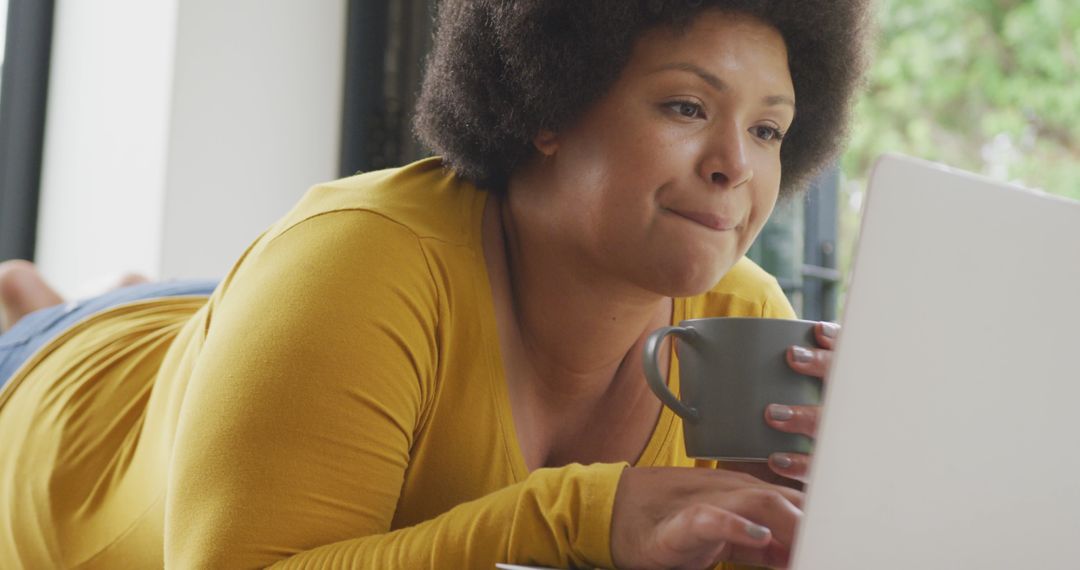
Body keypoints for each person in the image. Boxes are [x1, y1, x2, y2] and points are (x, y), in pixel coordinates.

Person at [0, 0, 870, 568]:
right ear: (548, 107)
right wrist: (581, 516)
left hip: (264, 351)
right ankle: (52, 305)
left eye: (767, 130)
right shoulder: (355, 257)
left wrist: (824, 516)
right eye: (687, 108)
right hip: (59, 411)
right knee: (35, 311)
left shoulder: (744, 314)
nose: (734, 167)